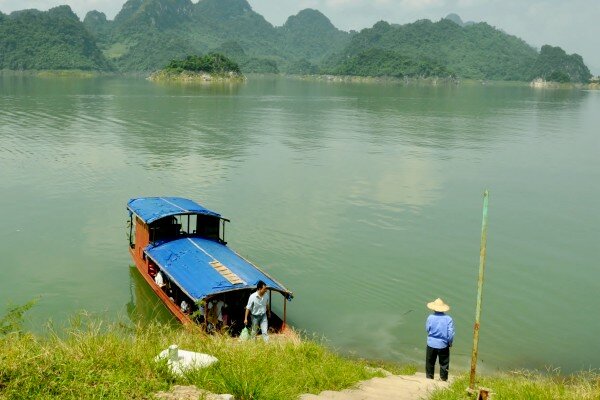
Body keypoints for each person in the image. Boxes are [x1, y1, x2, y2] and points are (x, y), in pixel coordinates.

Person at [425, 298, 454, 381]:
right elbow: (450, 333)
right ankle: (443, 379)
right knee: (444, 364)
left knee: (430, 363)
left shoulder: (430, 317)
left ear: (434, 308)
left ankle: (429, 379)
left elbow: (427, 329)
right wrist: (450, 342)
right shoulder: (448, 319)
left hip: (431, 344)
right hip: (443, 344)